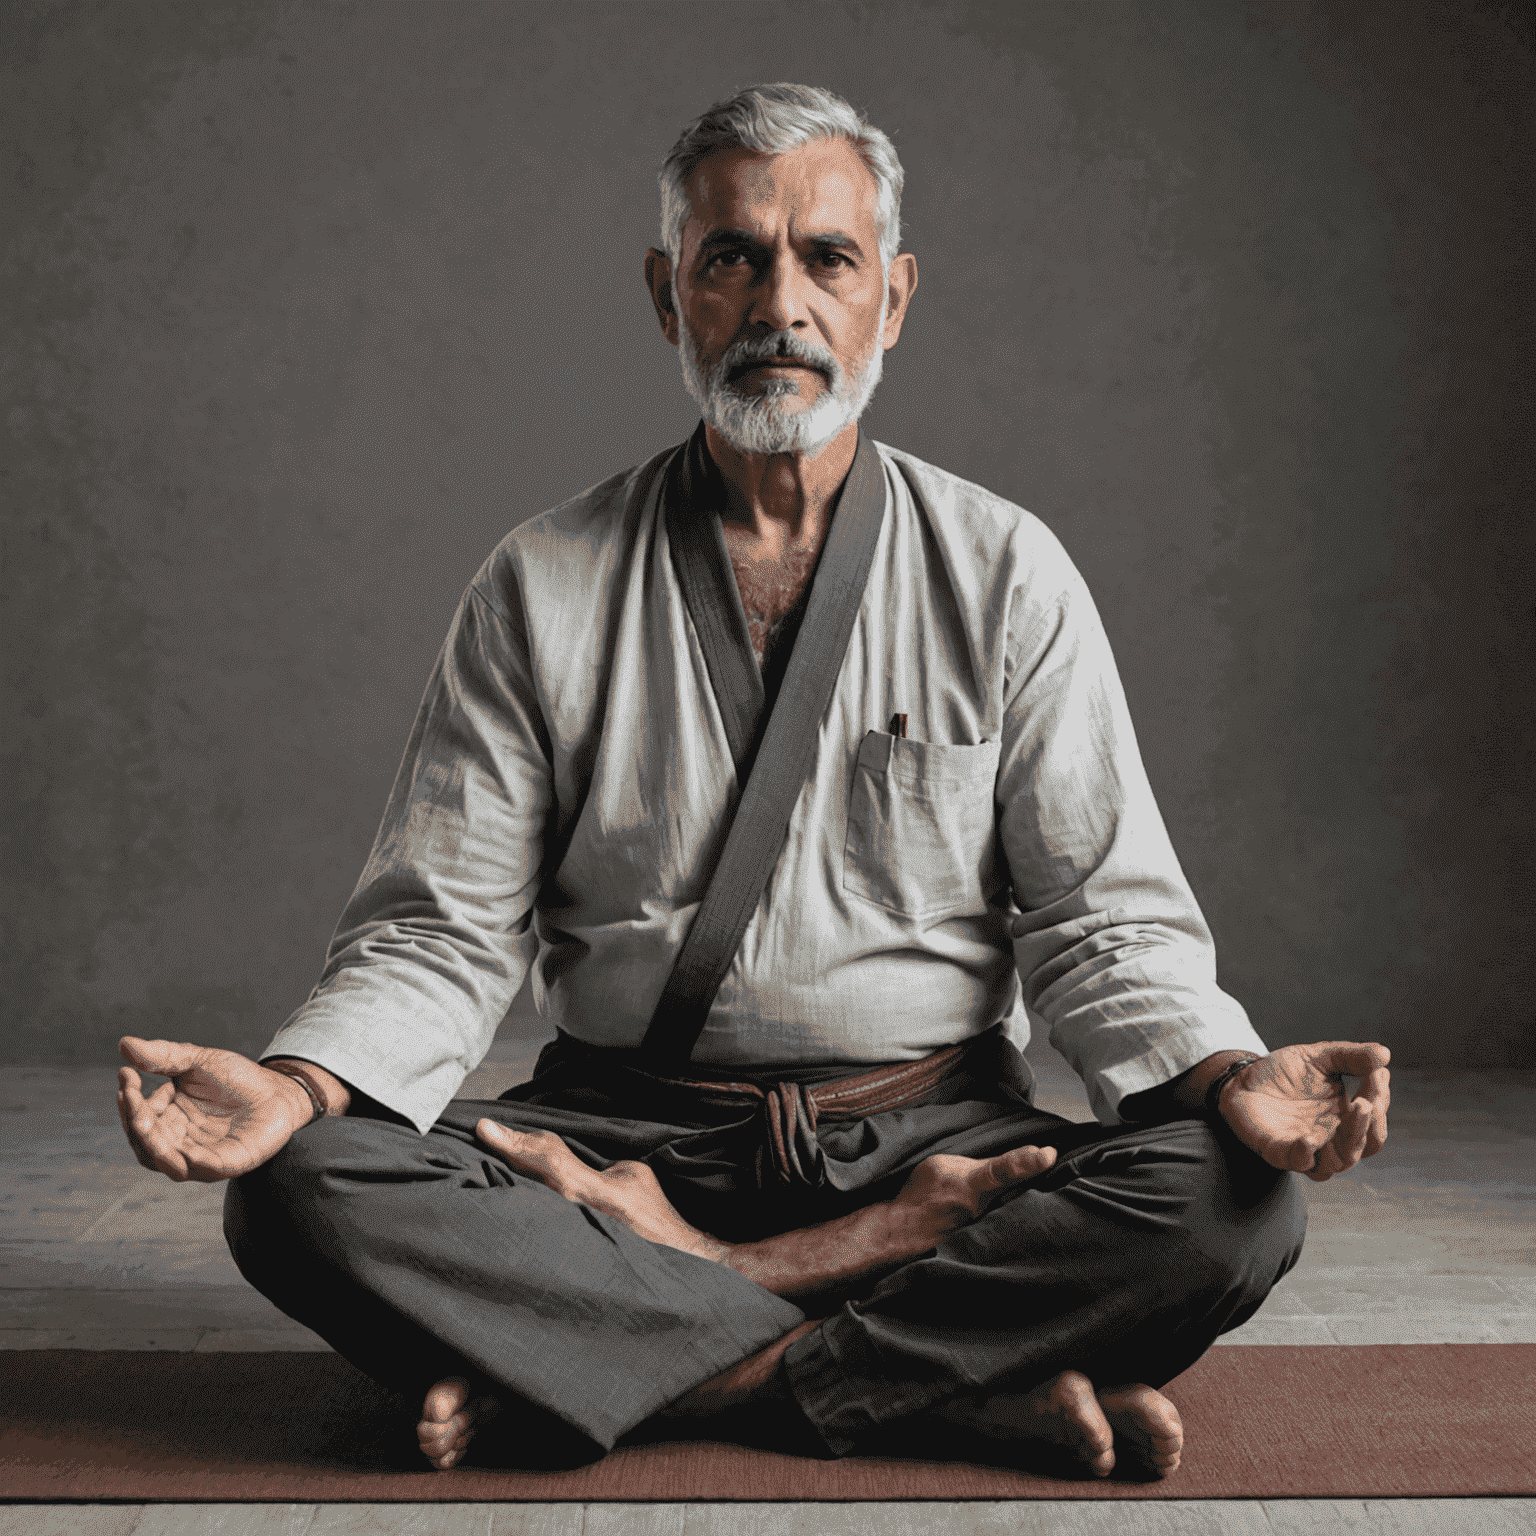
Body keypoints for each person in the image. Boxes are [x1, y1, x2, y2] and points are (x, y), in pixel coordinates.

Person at [116, 83, 1390, 1480]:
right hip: (616, 1141)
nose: (780, 302)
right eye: (733, 257)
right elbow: (438, 930)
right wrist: (299, 1086)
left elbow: (1103, 922)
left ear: (891, 301)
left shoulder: (1006, 572)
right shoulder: (542, 583)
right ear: (672, 297)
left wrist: (1225, 1075)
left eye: (827, 259)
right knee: (298, 1191)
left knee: (1230, 1201)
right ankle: (927, 1378)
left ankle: (631, 1350)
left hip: (929, 1142)